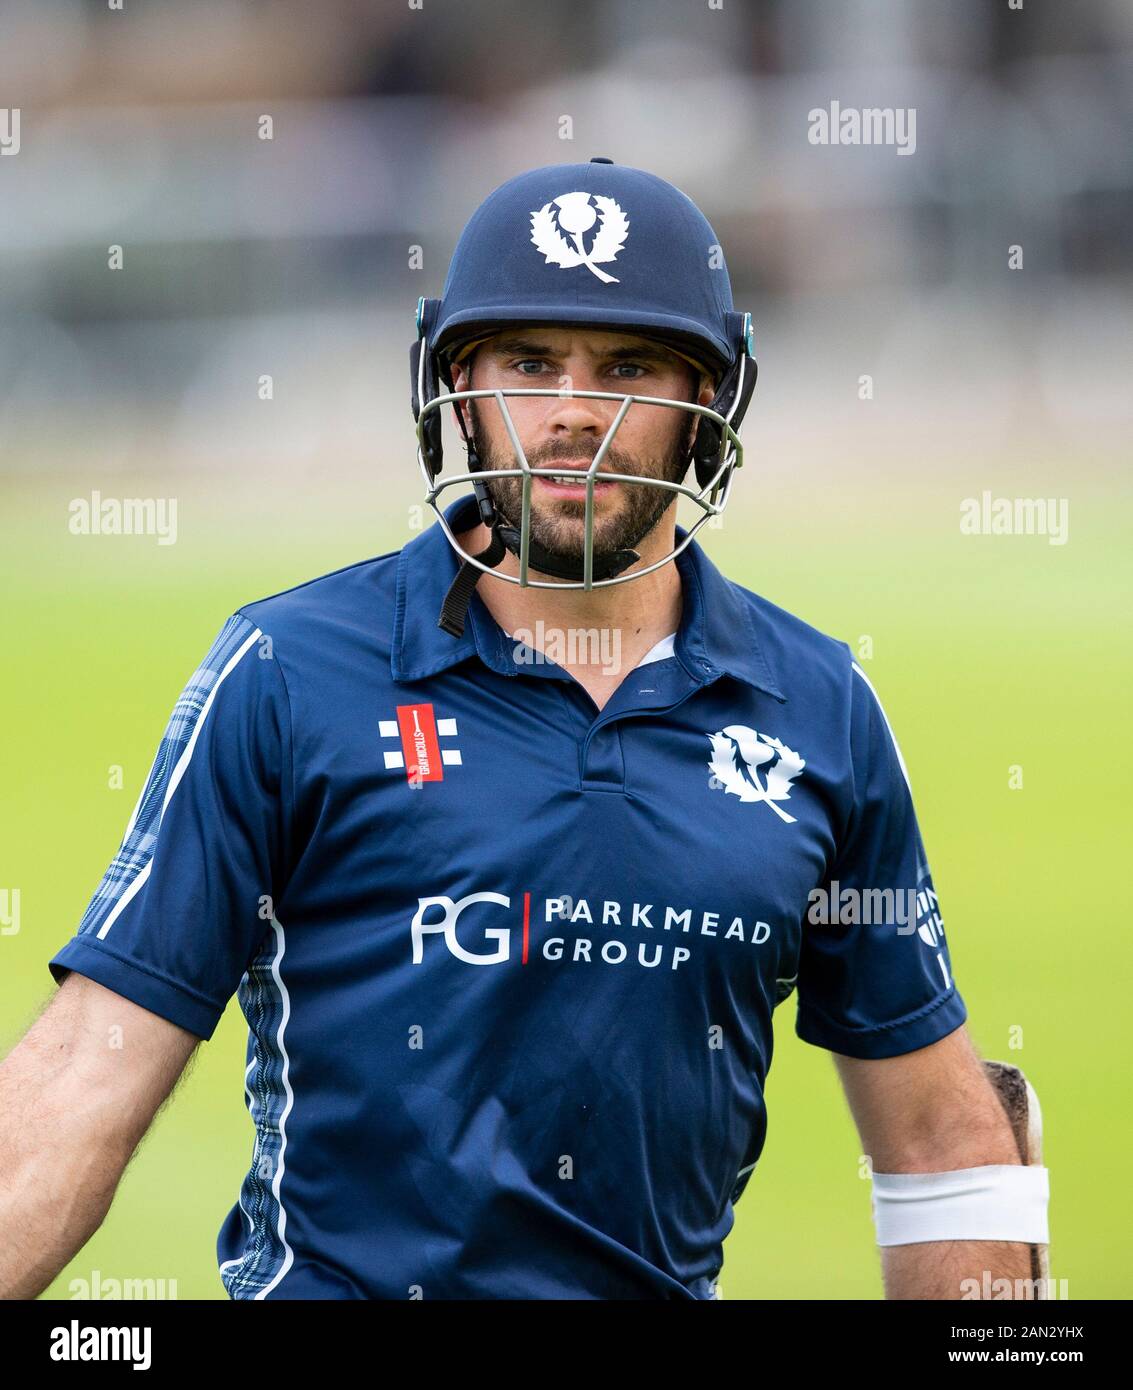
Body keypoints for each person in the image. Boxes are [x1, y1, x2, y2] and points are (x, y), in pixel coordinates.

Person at [1, 160, 1047, 1300]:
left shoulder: (819, 709)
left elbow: (941, 1143)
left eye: (630, 366)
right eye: (529, 362)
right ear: (457, 386)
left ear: (712, 401)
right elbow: (82, 1075)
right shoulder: (288, 672)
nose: (573, 412)